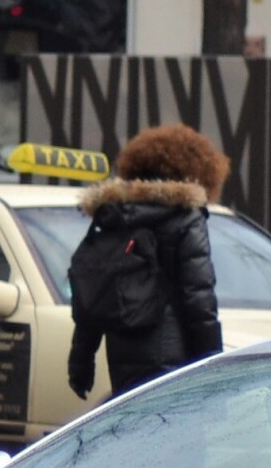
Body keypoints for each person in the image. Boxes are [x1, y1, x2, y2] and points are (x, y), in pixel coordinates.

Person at [67, 124, 227, 400]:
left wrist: (81, 361)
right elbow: (199, 299)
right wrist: (213, 365)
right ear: (199, 171)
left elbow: (93, 296)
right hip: (176, 356)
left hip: (121, 352)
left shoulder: (115, 216)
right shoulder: (186, 218)